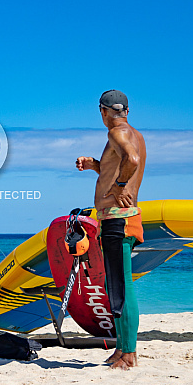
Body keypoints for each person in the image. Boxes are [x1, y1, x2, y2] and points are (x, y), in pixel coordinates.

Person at [76, 90, 146, 370]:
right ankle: (121, 348)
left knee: (122, 287)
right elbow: (121, 164)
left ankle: (128, 353)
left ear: (102, 111)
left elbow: (132, 160)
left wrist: (118, 188)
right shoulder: (134, 133)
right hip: (120, 218)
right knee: (115, 286)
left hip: (118, 219)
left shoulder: (117, 133)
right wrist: (97, 166)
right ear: (127, 110)